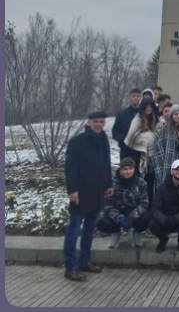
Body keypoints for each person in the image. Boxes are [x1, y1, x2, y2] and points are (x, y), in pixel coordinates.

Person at [63, 111, 114, 281]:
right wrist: (72, 191)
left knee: (89, 230)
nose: (99, 124)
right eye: (96, 121)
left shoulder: (103, 139)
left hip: (98, 192)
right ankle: (70, 267)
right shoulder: (77, 142)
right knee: (74, 230)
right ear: (89, 122)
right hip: (81, 192)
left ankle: (85, 261)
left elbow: (106, 163)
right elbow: (70, 168)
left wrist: (109, 185)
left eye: (102, 121)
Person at [97, 157, 149, 249]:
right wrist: (119, 218)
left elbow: (144, 203)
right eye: (125, 169)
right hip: (118, 213)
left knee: (148, 218)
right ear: (120, 170)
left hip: (134, 213)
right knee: (101, 222)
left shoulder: (141, 183)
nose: (128, 172)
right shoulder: (112, 184)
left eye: (130, 169)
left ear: (134, 169)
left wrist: (132, 217)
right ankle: (116, 232)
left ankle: (136, 232)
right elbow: (106, 204)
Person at [149, 159, 179, 253]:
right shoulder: (162, 187)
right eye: (177, 169)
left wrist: (176, 218)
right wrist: (164, 219)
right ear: (172, 171)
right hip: (166, 219)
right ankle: (163, 239)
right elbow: (155, 208)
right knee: (152, 224)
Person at [124, 97, 159, 204]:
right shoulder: (137, 119)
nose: (148, 109)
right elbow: (130, 138)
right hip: (138, 157)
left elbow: (157, 135)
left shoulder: (155, 119)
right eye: (146, 107)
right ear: (143, 107)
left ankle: (149, 206)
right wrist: (145, 140)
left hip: (152, 158)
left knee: (150, 184)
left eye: (150, 107)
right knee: (139, 184)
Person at [151, 105, 179, 188]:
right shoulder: (165, 129)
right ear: (172, 116)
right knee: (167, 185)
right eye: (175, 114)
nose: (178, 116)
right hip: (167, 161)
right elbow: (158, 147)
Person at [110, 88, 142, 166]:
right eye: (134, 96)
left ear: (140, 98)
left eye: (138, 96)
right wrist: (125, 140)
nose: (136, 98)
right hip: (126, 151)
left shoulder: (144, 114)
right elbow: (115, 132)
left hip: (141, 151)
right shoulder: (122, 114)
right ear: (130, 98)